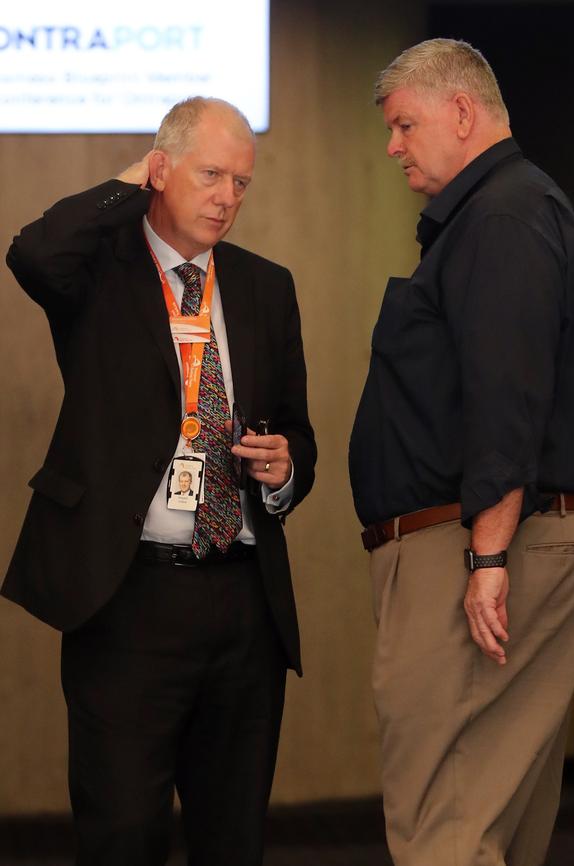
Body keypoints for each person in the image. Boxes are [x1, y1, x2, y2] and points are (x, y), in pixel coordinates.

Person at [3, 96, 316, 866]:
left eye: (242, 182)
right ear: (162, 168)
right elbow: (33, 251)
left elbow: (298, 430)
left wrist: (285, 470)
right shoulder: (97, 276)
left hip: (244, 601)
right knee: (122, 835)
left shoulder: (266, 286)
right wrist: (126, 185)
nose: (227, 197)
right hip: (129, 597)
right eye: (211, 174)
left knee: (232, 837)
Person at [348, 38, 574, 866]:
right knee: (494, 828)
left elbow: (509, 392)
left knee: (444, 829)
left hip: (482, 547)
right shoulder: (507, 210)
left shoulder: (500, 213)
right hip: (508, 540)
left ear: (461, 112)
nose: (393, 145)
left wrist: (487, 557)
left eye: (403, 124)